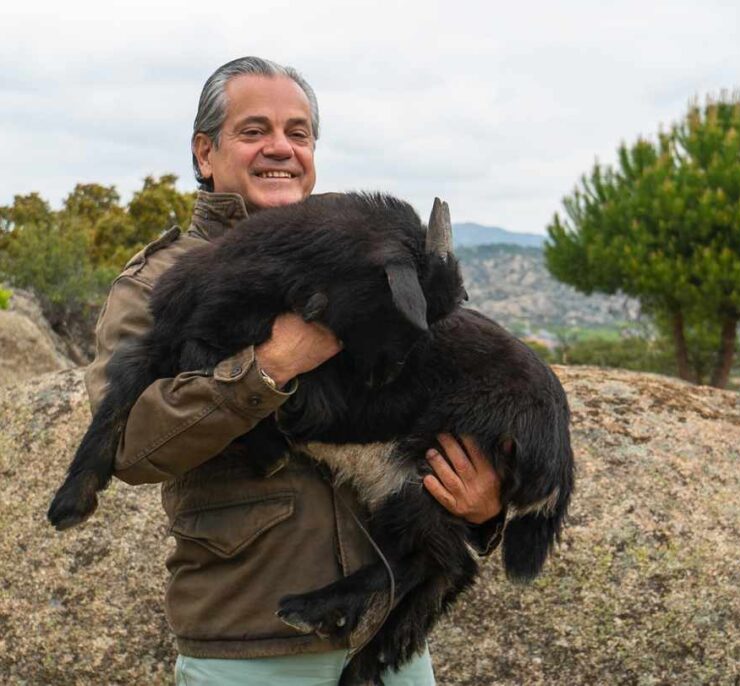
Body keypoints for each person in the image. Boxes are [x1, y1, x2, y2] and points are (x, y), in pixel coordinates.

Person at [86, 56, 505, 686]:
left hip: (388, 644)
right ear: (205, 153)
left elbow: (453, 394)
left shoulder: (377, 264)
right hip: (249, 649)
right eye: (254, 131)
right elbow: (128, 446)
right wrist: (269, 367)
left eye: (298, 133)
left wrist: (484, 504)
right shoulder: (157, 280)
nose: (280, 148)